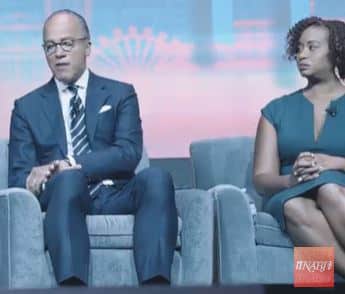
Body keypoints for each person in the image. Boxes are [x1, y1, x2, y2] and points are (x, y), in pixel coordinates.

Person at [8, 9, 177, 286]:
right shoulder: (27, 107)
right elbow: (17, 178)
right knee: (68, 180)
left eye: (66, 43)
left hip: (117, 192)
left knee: (157, 177)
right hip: (65, 196)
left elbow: (128, 152)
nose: (58, 53)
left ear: (87, 46)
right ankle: (72, 285)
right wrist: (33, 177)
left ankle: (155, 284)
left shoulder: (120, 93)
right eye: (50, 46)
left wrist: (72, 162)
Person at [253, 16, 345, 277]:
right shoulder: (276, 110)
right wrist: (291, 180)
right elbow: (261, 179)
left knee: (329, 191)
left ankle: (320, 280)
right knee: (294, 207)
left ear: (336, 51)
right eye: (299, 48)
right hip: (291, 194)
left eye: (312, 47)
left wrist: (335, 163)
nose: (301, 55)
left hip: (339, 188)